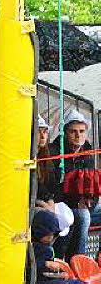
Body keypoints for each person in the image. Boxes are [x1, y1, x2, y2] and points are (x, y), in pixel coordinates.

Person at [51, 111, 101, 258]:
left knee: (87, 211)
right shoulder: (55, 151)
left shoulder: (88, 153)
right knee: (83, 216)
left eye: (81, 131)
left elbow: (92, 185)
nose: (78, 135)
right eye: (73, 131)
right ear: (65, 133)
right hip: (62, 206)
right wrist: (77, 201)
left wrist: (90, 200)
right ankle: (78, 261)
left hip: (82, 205)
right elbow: (53, 188)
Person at [31, 210, 85, 284]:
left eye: (54, 234)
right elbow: (26, 268)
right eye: (48, 235)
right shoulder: (31, 247)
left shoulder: (47, 247)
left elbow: (51, 270)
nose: (51, 238)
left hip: (48, 278)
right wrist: (45, 264)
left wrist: (61, 273)